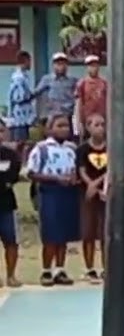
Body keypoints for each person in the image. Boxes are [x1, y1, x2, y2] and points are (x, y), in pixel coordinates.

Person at [26, 115, 80, 286]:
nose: (64, 129)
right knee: (51, 233)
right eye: (59, 125)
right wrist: (55, 179)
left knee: (63, 233)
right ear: (49, 129)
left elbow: (75, 169)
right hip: (49, 192)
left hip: (68, 193)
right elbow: (31, 173)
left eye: (66, 126)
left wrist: (73, 179)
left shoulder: (72, 149)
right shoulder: (41, 149)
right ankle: (46, 270)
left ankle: (60, 269)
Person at [75, 114, 109, 281]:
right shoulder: (82, 149)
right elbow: (81, 171)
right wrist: (91, 186)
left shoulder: (111, 148)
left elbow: (111, 170)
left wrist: (98, 186)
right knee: (88, 231)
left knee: (105, 233)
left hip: (106, 193)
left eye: (102, 124)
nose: (100, 127)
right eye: (96, 124)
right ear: (88, 127)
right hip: (87, 194)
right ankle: (89, 268)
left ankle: (106, 268)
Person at [33, 53, 77, 133]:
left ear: (67, 66)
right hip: (52, 115)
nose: (61, 66)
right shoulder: (47, 79)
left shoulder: (73, 80)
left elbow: (78, 95)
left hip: (68, 115)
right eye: (58, 64)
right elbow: (36, 92)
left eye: (63, 64)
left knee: (70, 138)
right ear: (53, 65)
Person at [0, 126, 22, 286]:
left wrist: (5, 182)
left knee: (11, 242)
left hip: (7, 205)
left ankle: (11, 276)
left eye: (1, 130)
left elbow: (12, 177)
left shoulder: (11, 155)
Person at [73, 55, 108, 138]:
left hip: (102, 120)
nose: (93, 68)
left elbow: (108, 102)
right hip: (87, 120)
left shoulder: (104, 83)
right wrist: (78, 123)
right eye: (91, 66)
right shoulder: (82, 83)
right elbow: (78, 104)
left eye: (95, 65)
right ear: (87, 68)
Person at [7, 51, 36, 147]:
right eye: (29, 61)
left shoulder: (23, 75)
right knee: (20, 143)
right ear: (25, 61)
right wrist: (32, 95)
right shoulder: (19, 77)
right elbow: (19, 97)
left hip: (24, 115)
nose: (30, 63)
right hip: (19, 116)